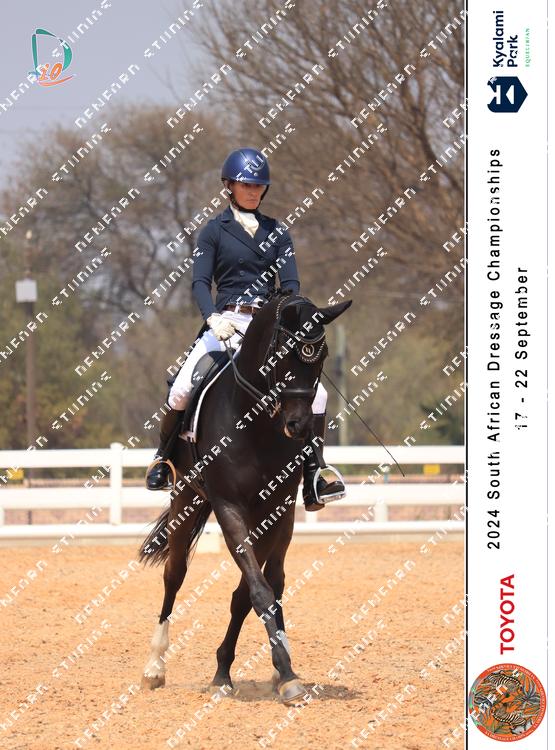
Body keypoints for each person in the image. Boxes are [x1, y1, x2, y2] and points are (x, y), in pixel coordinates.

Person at [145, 148, 345, 511]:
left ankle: (315, 472)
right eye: (246, 184)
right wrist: (212, 318)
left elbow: (291, 284)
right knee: (182, 388)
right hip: (227, 319)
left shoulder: (277, 231)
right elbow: (200, 283)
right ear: (229, 186)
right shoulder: (214, 231)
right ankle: (164, 460)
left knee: (318, 395)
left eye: (258, 185)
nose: (253, 191)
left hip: (268, 323)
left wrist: (287, 318)